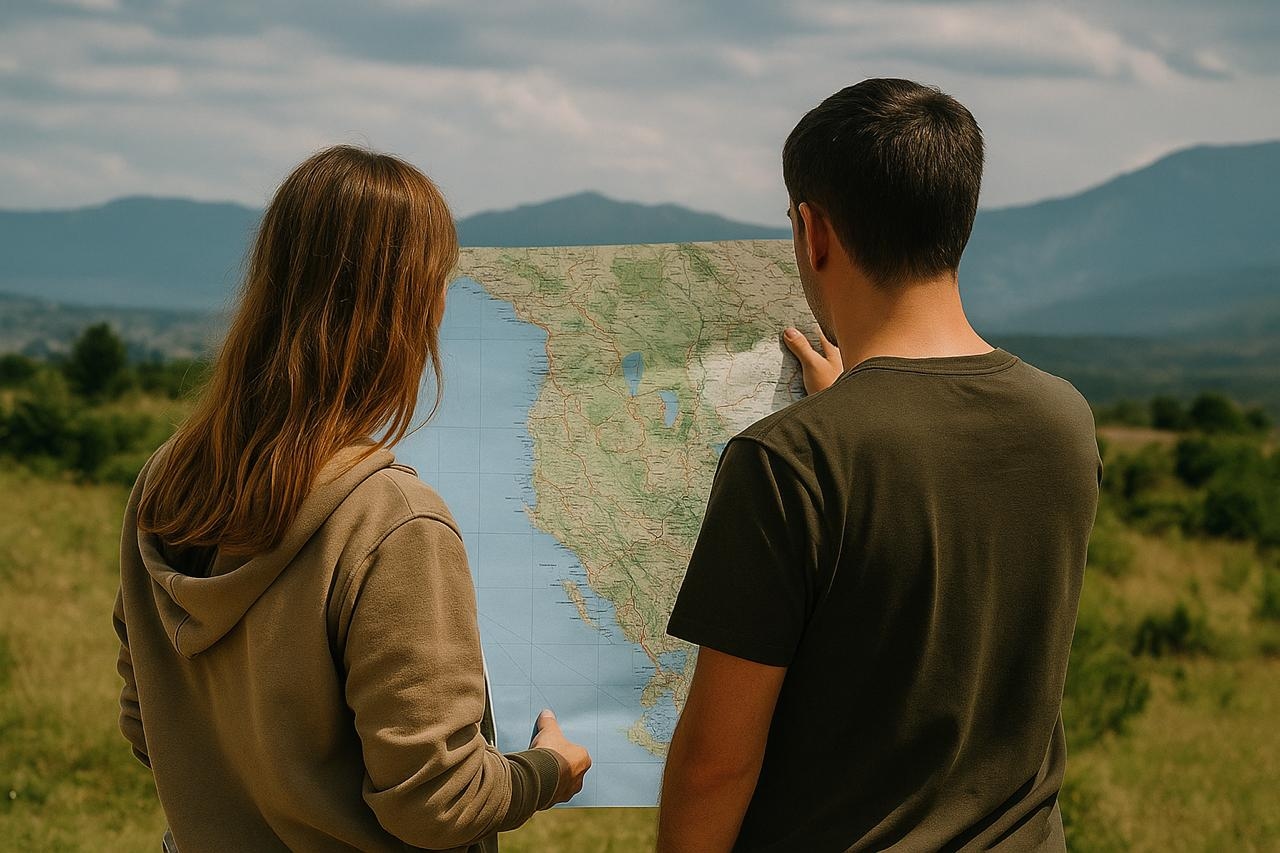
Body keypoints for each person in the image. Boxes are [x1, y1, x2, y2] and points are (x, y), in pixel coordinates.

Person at [657, 79, 1101, 852]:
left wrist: (837, 420)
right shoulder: (1066, 418)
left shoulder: (787, 458)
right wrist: (853, 403)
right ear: (959, 219)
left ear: (813, 230)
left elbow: (716, 766)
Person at [112, 145, 591, 853]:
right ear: (408, 308)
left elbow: (144, 721)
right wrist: (548, 768)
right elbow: (436, 802)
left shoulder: (166, 480)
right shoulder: (392, 521)